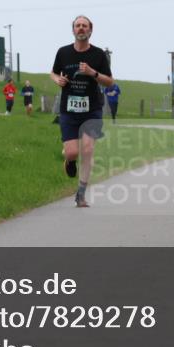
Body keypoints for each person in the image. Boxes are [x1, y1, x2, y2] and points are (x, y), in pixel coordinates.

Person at [50, 15, 113, 208]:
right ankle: (69, 161)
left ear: (91, 30)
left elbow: (110, 82)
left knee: (88, 149)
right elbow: (53, 72)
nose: (81, 28)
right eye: (77, 26)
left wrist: (93, 73)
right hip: (69, 110)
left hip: (92, 109)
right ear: (73, 30)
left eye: (84, 26)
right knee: (72, 153)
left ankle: (81, 194)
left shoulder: (99, 55)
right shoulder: (63, 52)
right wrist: (57, 80)